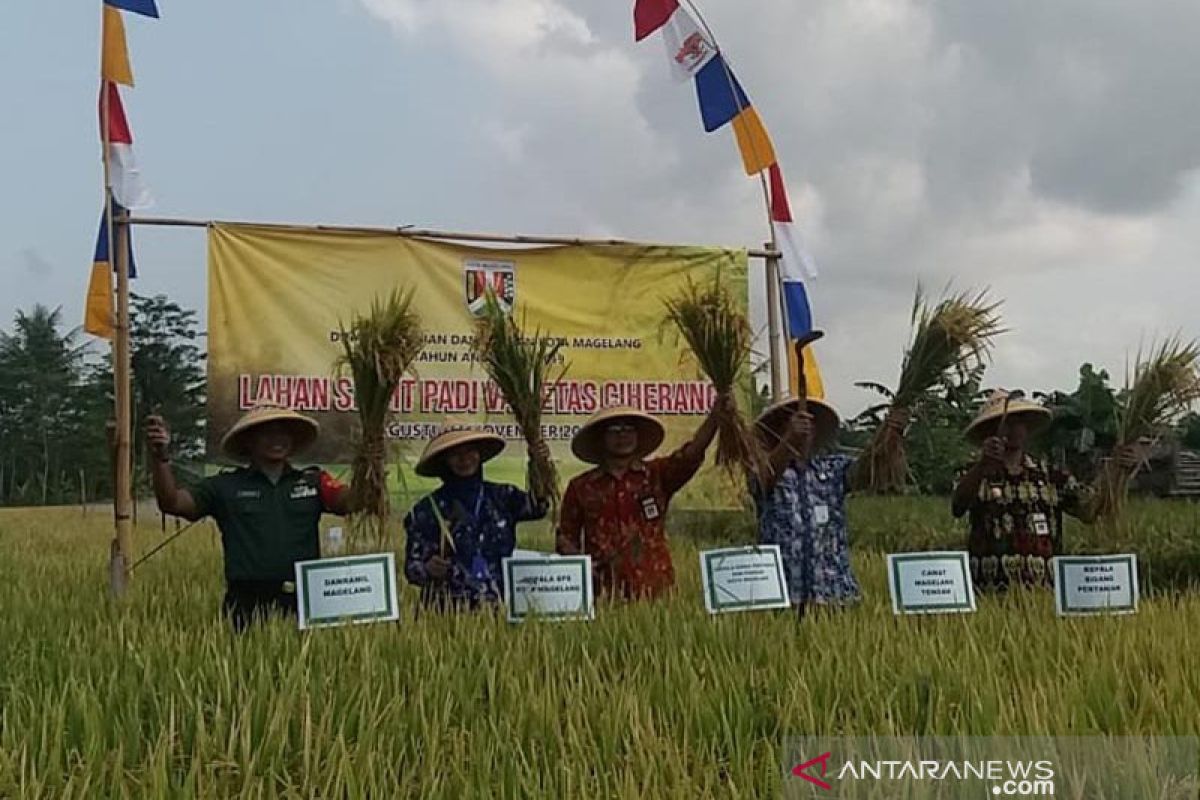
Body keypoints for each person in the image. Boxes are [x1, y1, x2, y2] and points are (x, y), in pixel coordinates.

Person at [146, 403, 353, 630]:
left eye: (284, 431)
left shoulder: (314, 482)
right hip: (246, 604)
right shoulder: (225, 486)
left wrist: (369, 463)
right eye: (267, 432)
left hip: (303, 601)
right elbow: (172, 502)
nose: (277, 438)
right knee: (244, 664)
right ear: (249, 440)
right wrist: (160, 458)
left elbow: (351, 502)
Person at [951, 390, 1139, 592]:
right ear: (990, 431)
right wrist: (983, 466)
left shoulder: (1050, 475)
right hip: (987, 592)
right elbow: (958, 505)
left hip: (1043, 593)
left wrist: (1115, 468)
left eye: (1020, 421)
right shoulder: (973, 473)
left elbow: (1089, 509)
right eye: (1006, 422)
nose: (1014, 428)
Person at [555, 395, 728, 599]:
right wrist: (582, 565)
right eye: (614, 430)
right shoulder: (581, 487)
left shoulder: (657, 475)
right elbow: (565, 539)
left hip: (656, 590)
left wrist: (716, 416)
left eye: (629, 429)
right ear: (601, 438)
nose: (623, 435)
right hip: (603, 593)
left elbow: (692, 454)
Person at [403, 426, 549, 610]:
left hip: (501, 605)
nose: (464, 459)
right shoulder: (426, 510)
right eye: (455, 454)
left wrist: (539, 465)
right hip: (446, 612)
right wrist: (427, 568)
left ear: (479, 455)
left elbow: (539, 506)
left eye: (470, 451)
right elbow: (411, 568)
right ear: (444, 461)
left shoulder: (503, 496)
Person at [752, 397, 861, 612]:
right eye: (793, 423)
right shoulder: (763, 469)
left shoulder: (833, 468)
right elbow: (763, 481)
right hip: (782, 594)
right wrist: (789, 441)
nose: (804, 429)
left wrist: (891, 431)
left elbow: (867, 472)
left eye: (809, 423)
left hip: (832, 593)